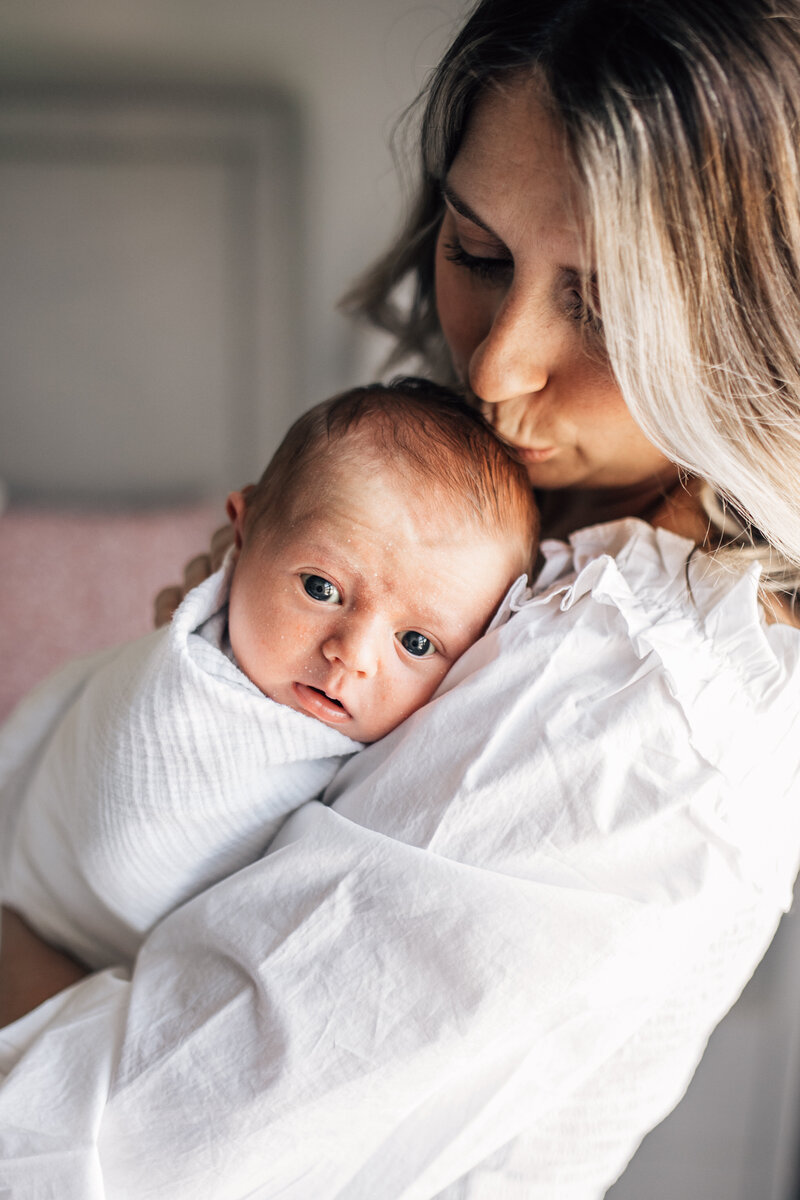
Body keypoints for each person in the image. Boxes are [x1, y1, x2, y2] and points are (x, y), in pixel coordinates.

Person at [2, 1, 800, 1197]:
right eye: (477, 255)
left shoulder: (635, 707)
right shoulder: (544, 516)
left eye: (605, 303)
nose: (492, 367)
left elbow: (112, 1152)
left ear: (753, 317)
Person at [0, 379, 537, 983]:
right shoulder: (186, 684)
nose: (352, 655)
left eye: (417, 643)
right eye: (320, 587)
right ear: (243, 529)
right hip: (43, 885)